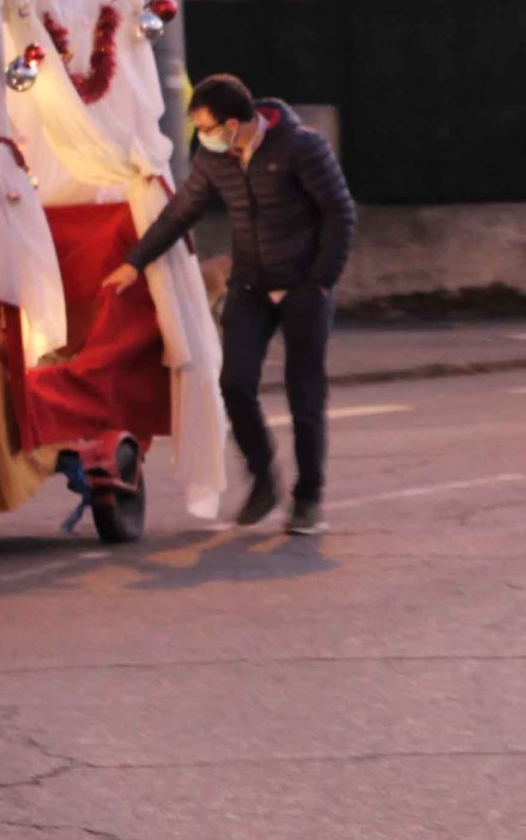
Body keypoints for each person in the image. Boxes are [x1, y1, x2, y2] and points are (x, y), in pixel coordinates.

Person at [103, 74, 355, 535]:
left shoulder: (301, 147)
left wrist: (320, 281)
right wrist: (134, 263)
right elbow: (180, 212)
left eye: (209, 127)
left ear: (236, 123)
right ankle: (264, 480)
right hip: (251, 286)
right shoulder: (213, 159)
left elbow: (340, 212)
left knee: (305, 395)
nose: (204, 137)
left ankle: (307, 498)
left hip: (303, 286)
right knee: (234, 383)